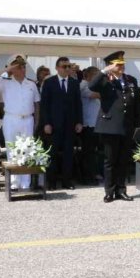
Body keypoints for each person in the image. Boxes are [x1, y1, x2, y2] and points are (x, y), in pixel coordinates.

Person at [0, 55, 40, 192]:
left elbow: (37, 104)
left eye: (23, 66)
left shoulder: (31, 84)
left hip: (28, 119)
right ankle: (14, 182)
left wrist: (37, 122)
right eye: (19, 66)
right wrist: (8, 69)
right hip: (11, 119)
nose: (22, 69)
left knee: (27, 150)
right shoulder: (5, 82)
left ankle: (25, 183)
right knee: (12, 150)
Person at [88, 51, 139, 203]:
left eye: (122, 64)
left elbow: (135, 103)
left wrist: (136, 123)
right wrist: (104, 71)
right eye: (118, 64)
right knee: (110, 160)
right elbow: (92, 86)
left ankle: (121, 190)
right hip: (109, 125)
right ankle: (109, 191)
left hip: (126, 125)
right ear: (111, 65)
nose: (121, 66)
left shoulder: (130, 80)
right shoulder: (105, 80)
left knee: (123, 160)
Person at [39, 57, 83, 190]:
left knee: (68, 154)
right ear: (57, 68)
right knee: (52, 154)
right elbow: (44, 105)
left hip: (69, 124)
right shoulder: (49, 82)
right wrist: (46, 123)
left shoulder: (74, 83)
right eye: (64, 66)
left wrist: (79, 122)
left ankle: (66, 181)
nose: (67, 69)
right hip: (53, 125)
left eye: (69, 66)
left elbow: (78, 104)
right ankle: (51, 182)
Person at [79, 66, 102, 185]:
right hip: (88, 124)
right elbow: (95, 95)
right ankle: (88, 177)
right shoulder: (84, 85)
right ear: (88, 76)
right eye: (96, 75)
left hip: (95, 124)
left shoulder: (92, 85)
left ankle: (94, 174)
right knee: (88, 152)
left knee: (94, 152)